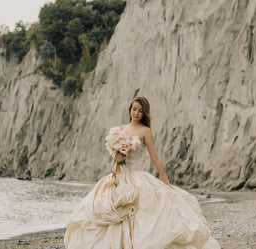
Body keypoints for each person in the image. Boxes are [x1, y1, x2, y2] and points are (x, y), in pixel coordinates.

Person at [64, 96, 220, 249]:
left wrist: (166, 182)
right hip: (120, 176)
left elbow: (155, 158)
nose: (136, 113)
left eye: (140, 111)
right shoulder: (120, 131)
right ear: (130, 109)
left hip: (138, 177)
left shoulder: (145, 131)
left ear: (144, 113)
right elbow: (115, 157)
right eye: (134, 109)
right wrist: (117, 156)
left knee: (145, 214)